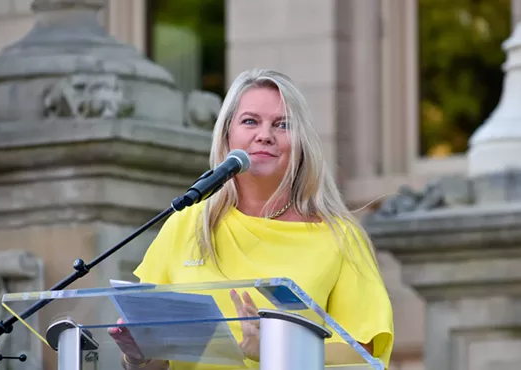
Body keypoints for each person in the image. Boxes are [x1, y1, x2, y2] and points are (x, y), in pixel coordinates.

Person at [109, 68, 394, 369]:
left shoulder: (340, 236)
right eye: (250, 121)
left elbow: (363, 354)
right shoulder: (186, 224)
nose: (265, 136)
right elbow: (156, 356)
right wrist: (136, 356)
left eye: (282, 125)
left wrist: (275, 349)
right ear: (227, 134)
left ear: (301, 143)